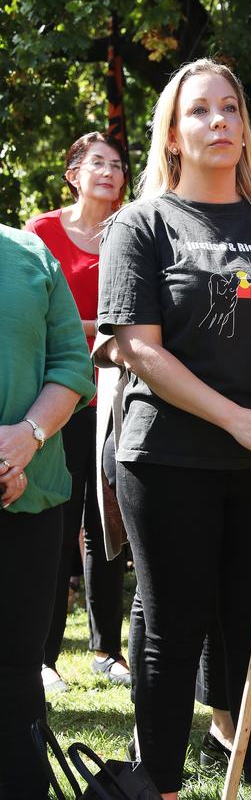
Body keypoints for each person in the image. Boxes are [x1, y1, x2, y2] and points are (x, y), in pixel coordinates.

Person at [97, 58, 251, 800]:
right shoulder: (142, 225)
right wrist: (237, 420)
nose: (220, 122)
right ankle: (158, 788)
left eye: (231, 108)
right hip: (170, 458)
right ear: (173, 133)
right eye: (200, 111)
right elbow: (137, 347)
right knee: (173, 634)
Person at [26, 132, 131, 691]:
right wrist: (97, 330)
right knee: (57, 525)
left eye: (117, 165)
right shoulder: (38, 235)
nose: (110, 173)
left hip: (115, 396)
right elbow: (33, 315)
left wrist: (87, 329)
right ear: (73, 173)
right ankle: (43, 657)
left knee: (104, 524)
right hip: (54, 398)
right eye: (98, 163)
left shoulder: (131, 232)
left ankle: (106, 650)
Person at [0, 223, 95, 799]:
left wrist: (26, 438)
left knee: (15, 671)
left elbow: (72, 365)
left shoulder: (32, 253)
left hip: (30, 497)